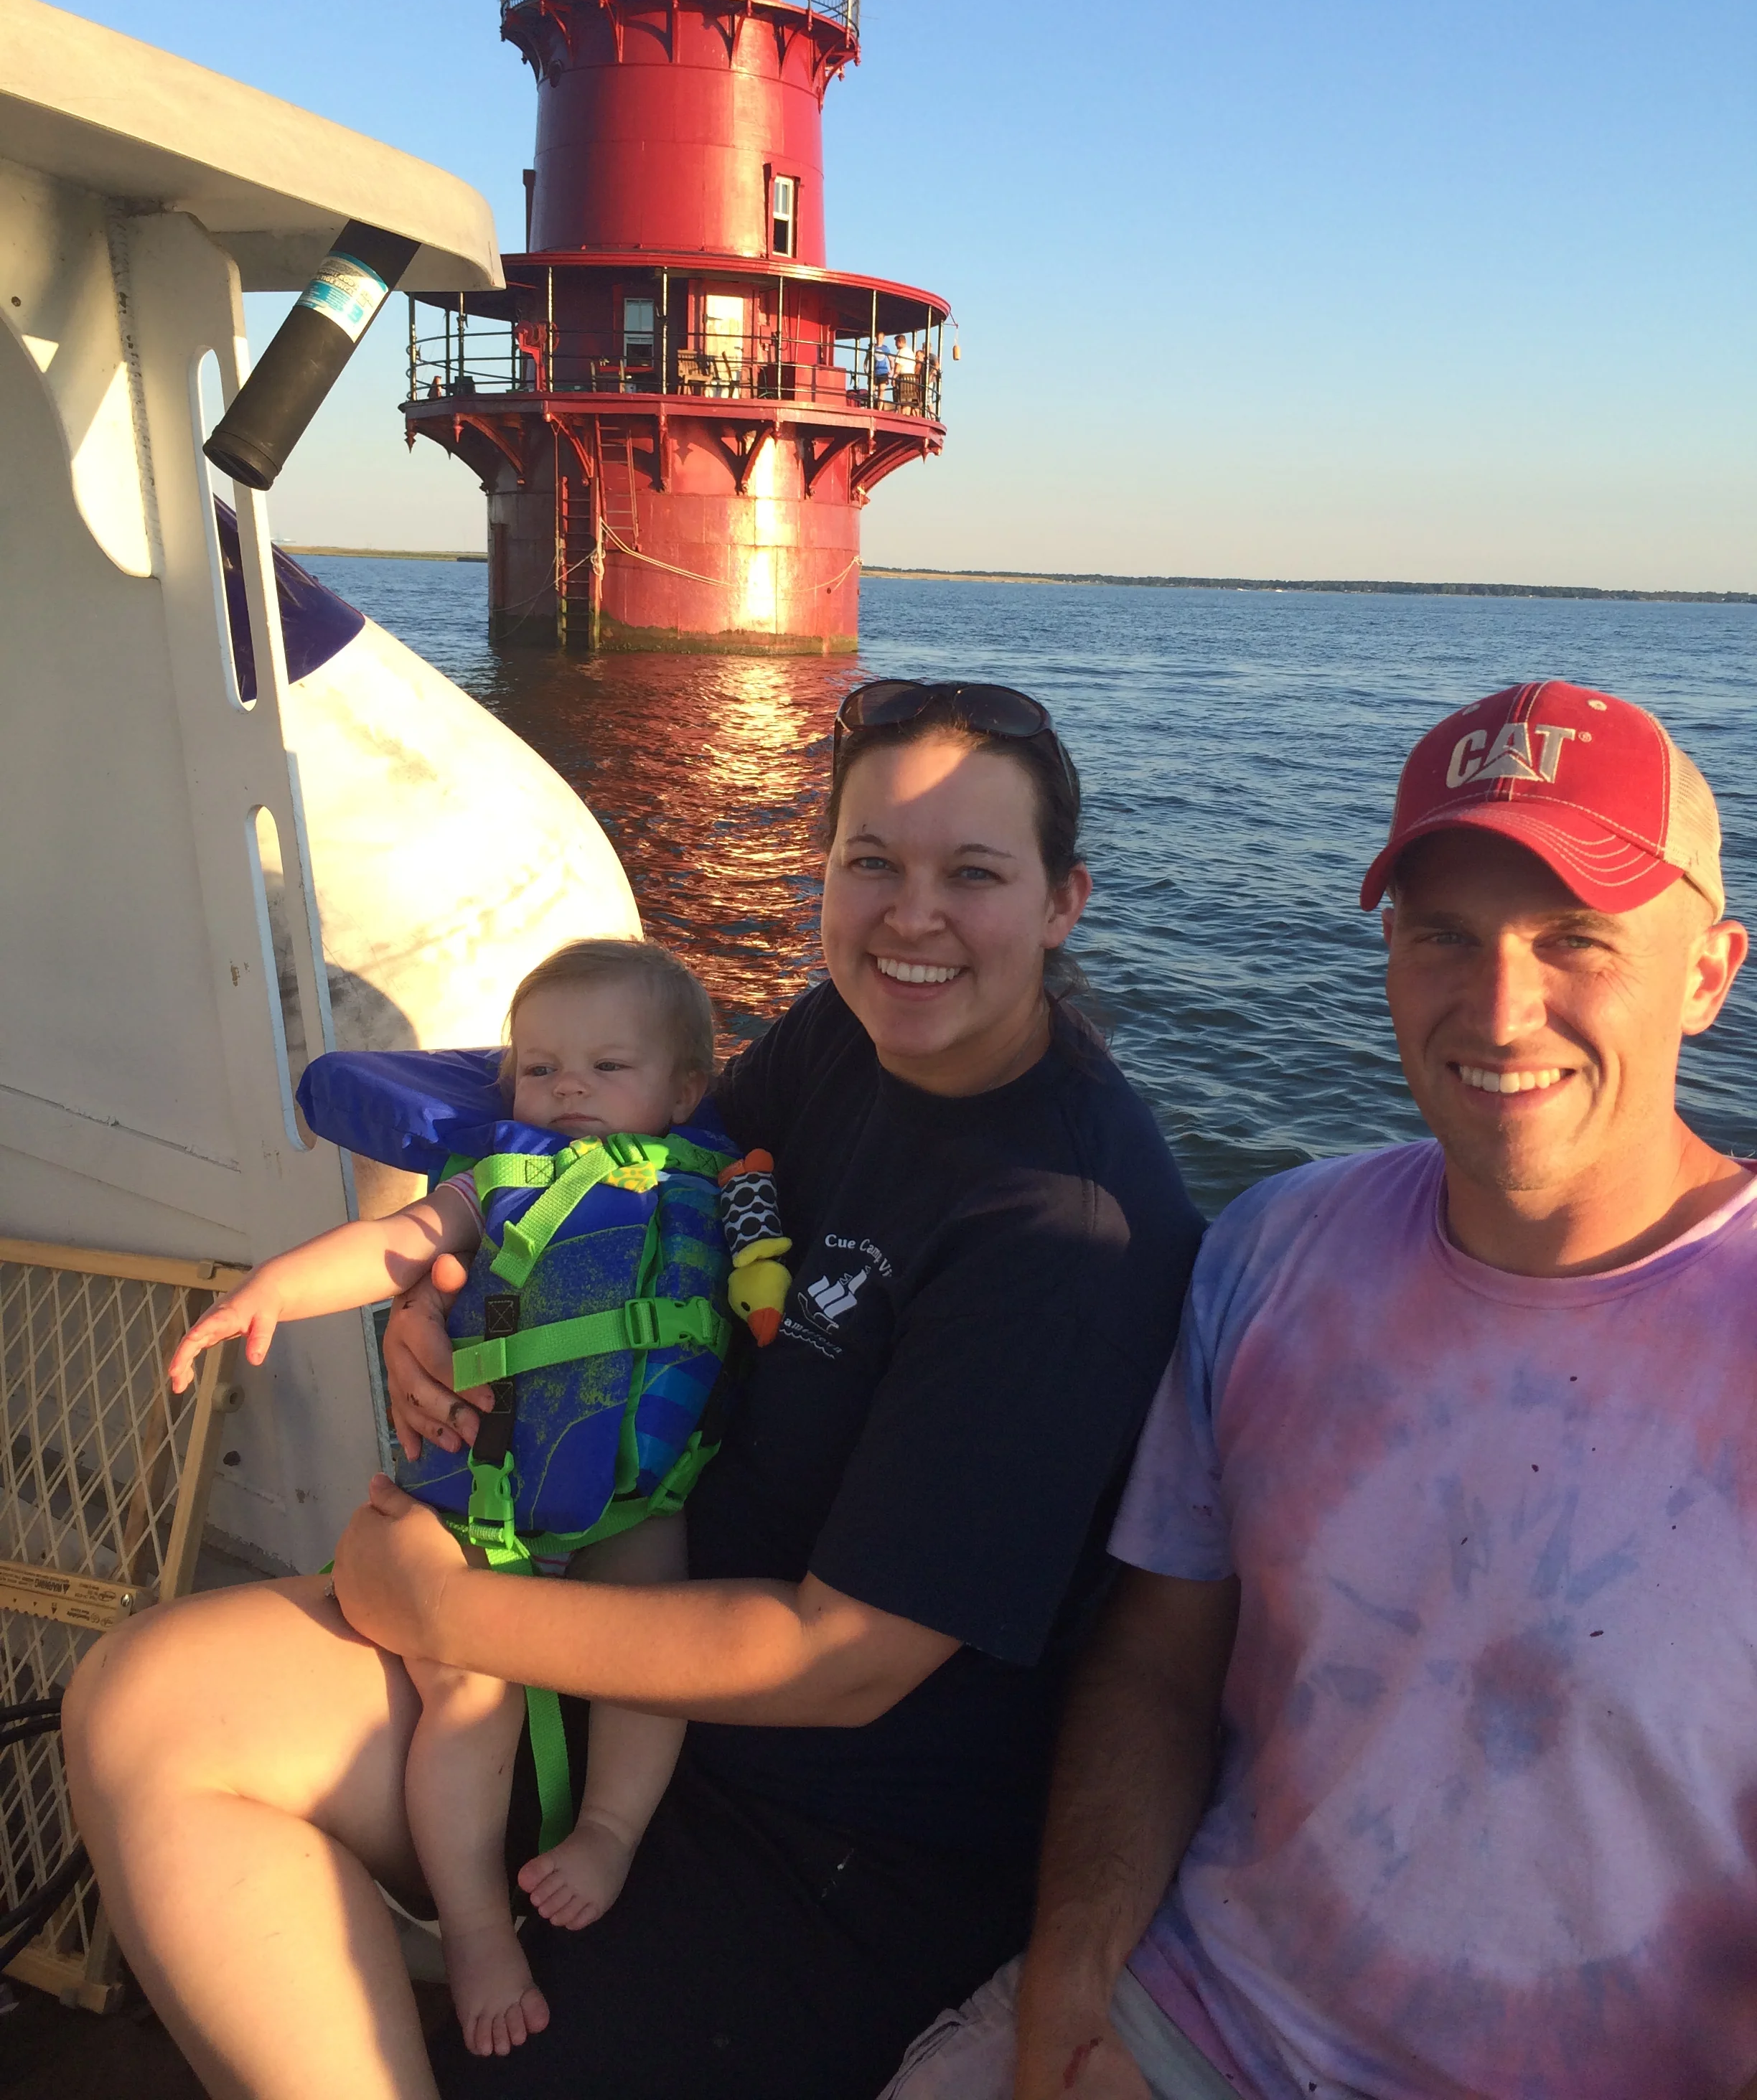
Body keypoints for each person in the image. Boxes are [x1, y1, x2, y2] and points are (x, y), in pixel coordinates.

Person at [63, 678, 1205, 2100]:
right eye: (873, 865)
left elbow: (844, 1662)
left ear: (1061, 902)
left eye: (973, 874)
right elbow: (639, 1194)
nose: (913, 919)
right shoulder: (846, 1038)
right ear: (827, 875)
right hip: (615, 1644)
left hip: (832, 1839)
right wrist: (450, 1306)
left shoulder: (1067, 1224)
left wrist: (438, 1608)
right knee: (144, 1704)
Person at [881, 675, 1757, 2100]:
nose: (1500, 1006)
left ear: (1710, 974)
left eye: (1577, 942)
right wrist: (1072, 1992)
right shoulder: (1276, 1248)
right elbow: (1162, 1667)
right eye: (1441, 937)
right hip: (1190, 2024)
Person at [165, 937, 723, 2061]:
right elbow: (398, 1242)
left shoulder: (723, 1189)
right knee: (471, 1696)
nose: (568, 1090)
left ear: (683, 1092)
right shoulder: (500, 1177)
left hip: (629, 1502)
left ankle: (608, 1832)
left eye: (608, 1069)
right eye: (541, 1068)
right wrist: (277, 1288)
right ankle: (473, 1928)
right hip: (477, 1502)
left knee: (659, 1642)